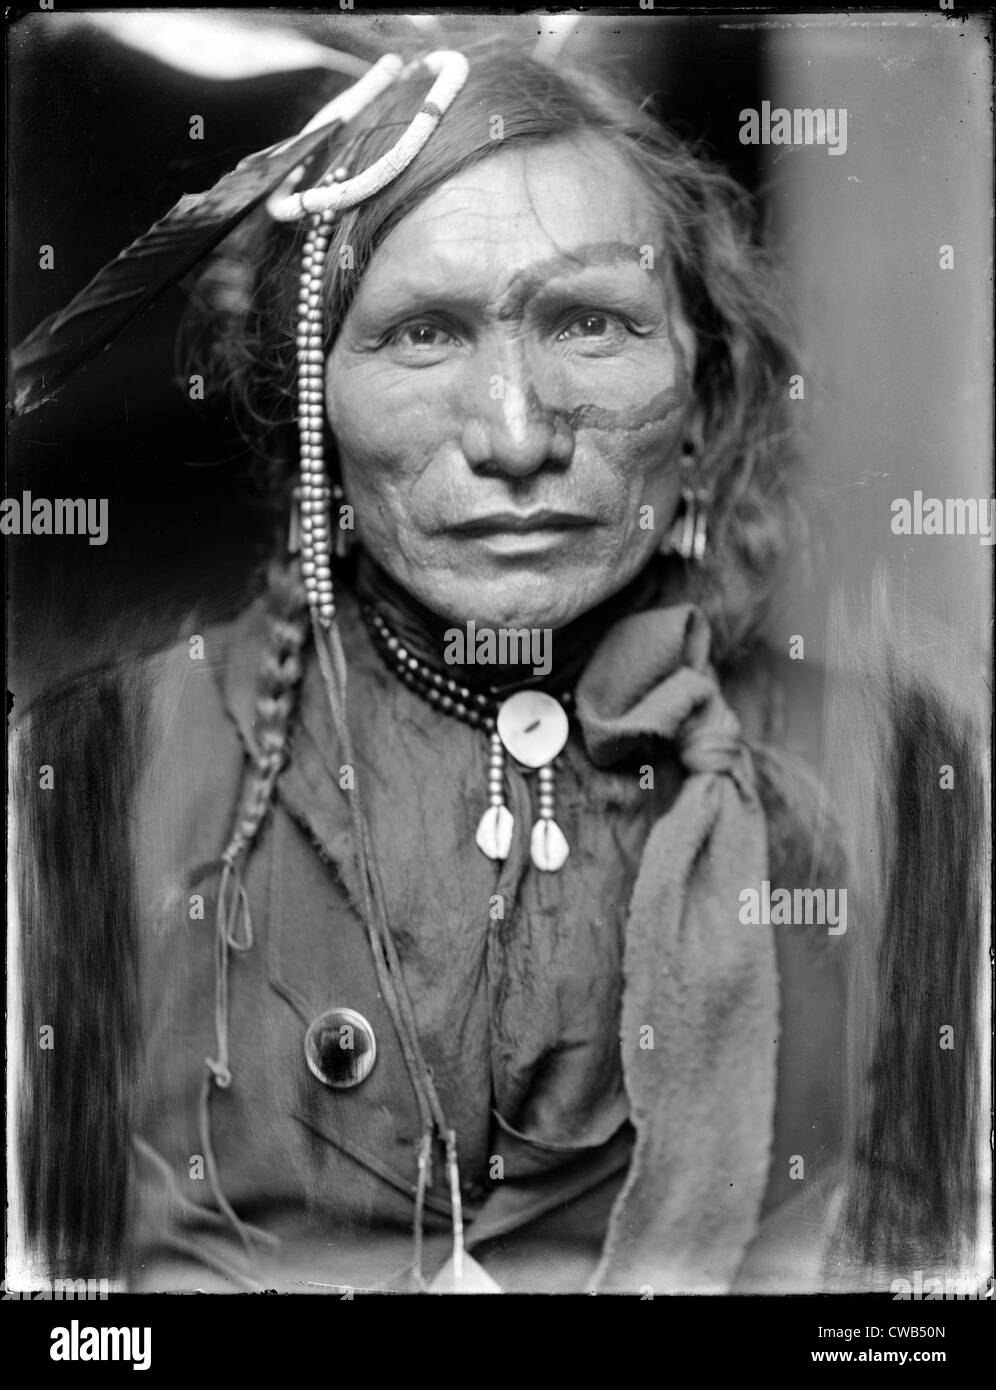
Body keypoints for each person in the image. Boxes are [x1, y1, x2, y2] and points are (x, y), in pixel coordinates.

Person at [9, 40, 986, 1295]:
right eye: (424, 333)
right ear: (311, 412)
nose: (516, 434)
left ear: (706, 385)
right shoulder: (87, 777)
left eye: (592, 321)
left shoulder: (904, 773)